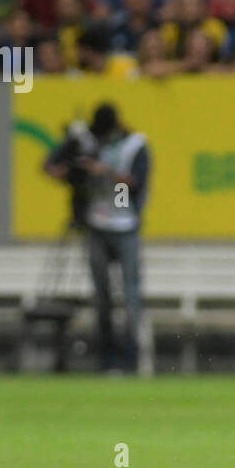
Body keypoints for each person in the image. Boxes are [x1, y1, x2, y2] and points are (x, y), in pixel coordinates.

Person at [45, 103, 150, 373]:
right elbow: (51, 166)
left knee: (130, 296)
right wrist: (73, 170)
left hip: (125, 224)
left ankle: (132, 358)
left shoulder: (135, 146)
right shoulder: (88, 142)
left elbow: (135, 182)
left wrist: (104, 171)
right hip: (97, 225)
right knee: (101, 297)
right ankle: (106, 357)